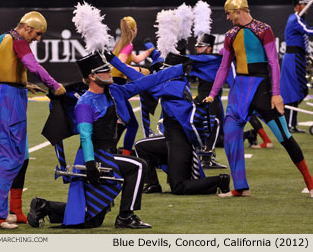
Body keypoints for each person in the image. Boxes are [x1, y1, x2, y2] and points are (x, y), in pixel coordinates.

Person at [27, 51, 191, 228]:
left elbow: (146, 82)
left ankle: (44, 206)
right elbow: (85, 136)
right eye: (104, 70)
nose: (109, 72)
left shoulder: (115, 91)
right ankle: (126, 217)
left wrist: (178, 69)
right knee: (138, 165)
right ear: (92, 76)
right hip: (94, 157)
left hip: (108, 155)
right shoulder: (85, 103)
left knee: (92, 219)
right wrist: (90, 164)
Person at [203, 0, 313, 197]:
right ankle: (241, 187)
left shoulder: (264, 29)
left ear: (238, 11)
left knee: (284, 137)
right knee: (230, 135)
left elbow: (273, 62)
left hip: (263, 90)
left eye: (228, 13)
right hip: (239, 92)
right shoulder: (230, 35)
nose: (227, 18)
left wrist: (276, 94)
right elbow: (224, 67)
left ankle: (311, 184)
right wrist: (212, 94)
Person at [0, 11, 66, 229]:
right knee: (11, 158)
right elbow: (33, 66)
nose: (38, 39)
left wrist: (23, 84)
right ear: (28, 28)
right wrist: (54, 84)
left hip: (8, 96)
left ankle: (13, 210)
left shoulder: (4, 37)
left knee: (20, 156)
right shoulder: (20, 41)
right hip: (10, 102)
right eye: (38, 34)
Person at [134, 52, 231, 195]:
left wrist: (116, 62)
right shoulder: (176, 84)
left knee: (179, 187)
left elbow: (142, 81)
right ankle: (153, 184)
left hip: (179, 143)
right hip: (172, 139)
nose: (163, 73)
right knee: (141, 146)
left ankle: (219, 180)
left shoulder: (173, 87)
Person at [111, 16, 154, 155]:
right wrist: (141, 70)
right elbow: (121, 64)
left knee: (123, 121)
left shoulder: (120, 43)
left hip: (114, 85)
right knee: (132, 124)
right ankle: (125, 155)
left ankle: (110, 152)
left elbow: (136, 59)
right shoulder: (128, 45)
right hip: (117, 86)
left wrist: (149, 51)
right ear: (134, 30)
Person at [191, 33, 227, 169]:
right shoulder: (205, 59)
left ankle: (207, 157)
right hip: (206, 96)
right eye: (198, 47)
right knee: (212, 125)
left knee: (213, 125)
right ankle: (206, 158)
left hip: (209, 96)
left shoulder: (212, 59)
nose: (198, 49)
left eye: (201, 47)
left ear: (209, 48)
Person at [281, 0, 313, 133]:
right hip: (293, 58)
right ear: (298, 5)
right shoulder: (294, 18)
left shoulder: (299, 19)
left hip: (298, 57)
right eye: (304, 4)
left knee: (302, 90)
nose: (307, 8)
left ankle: (291, 122)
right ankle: (289, 124)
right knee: (293, 91)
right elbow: (307, 31)